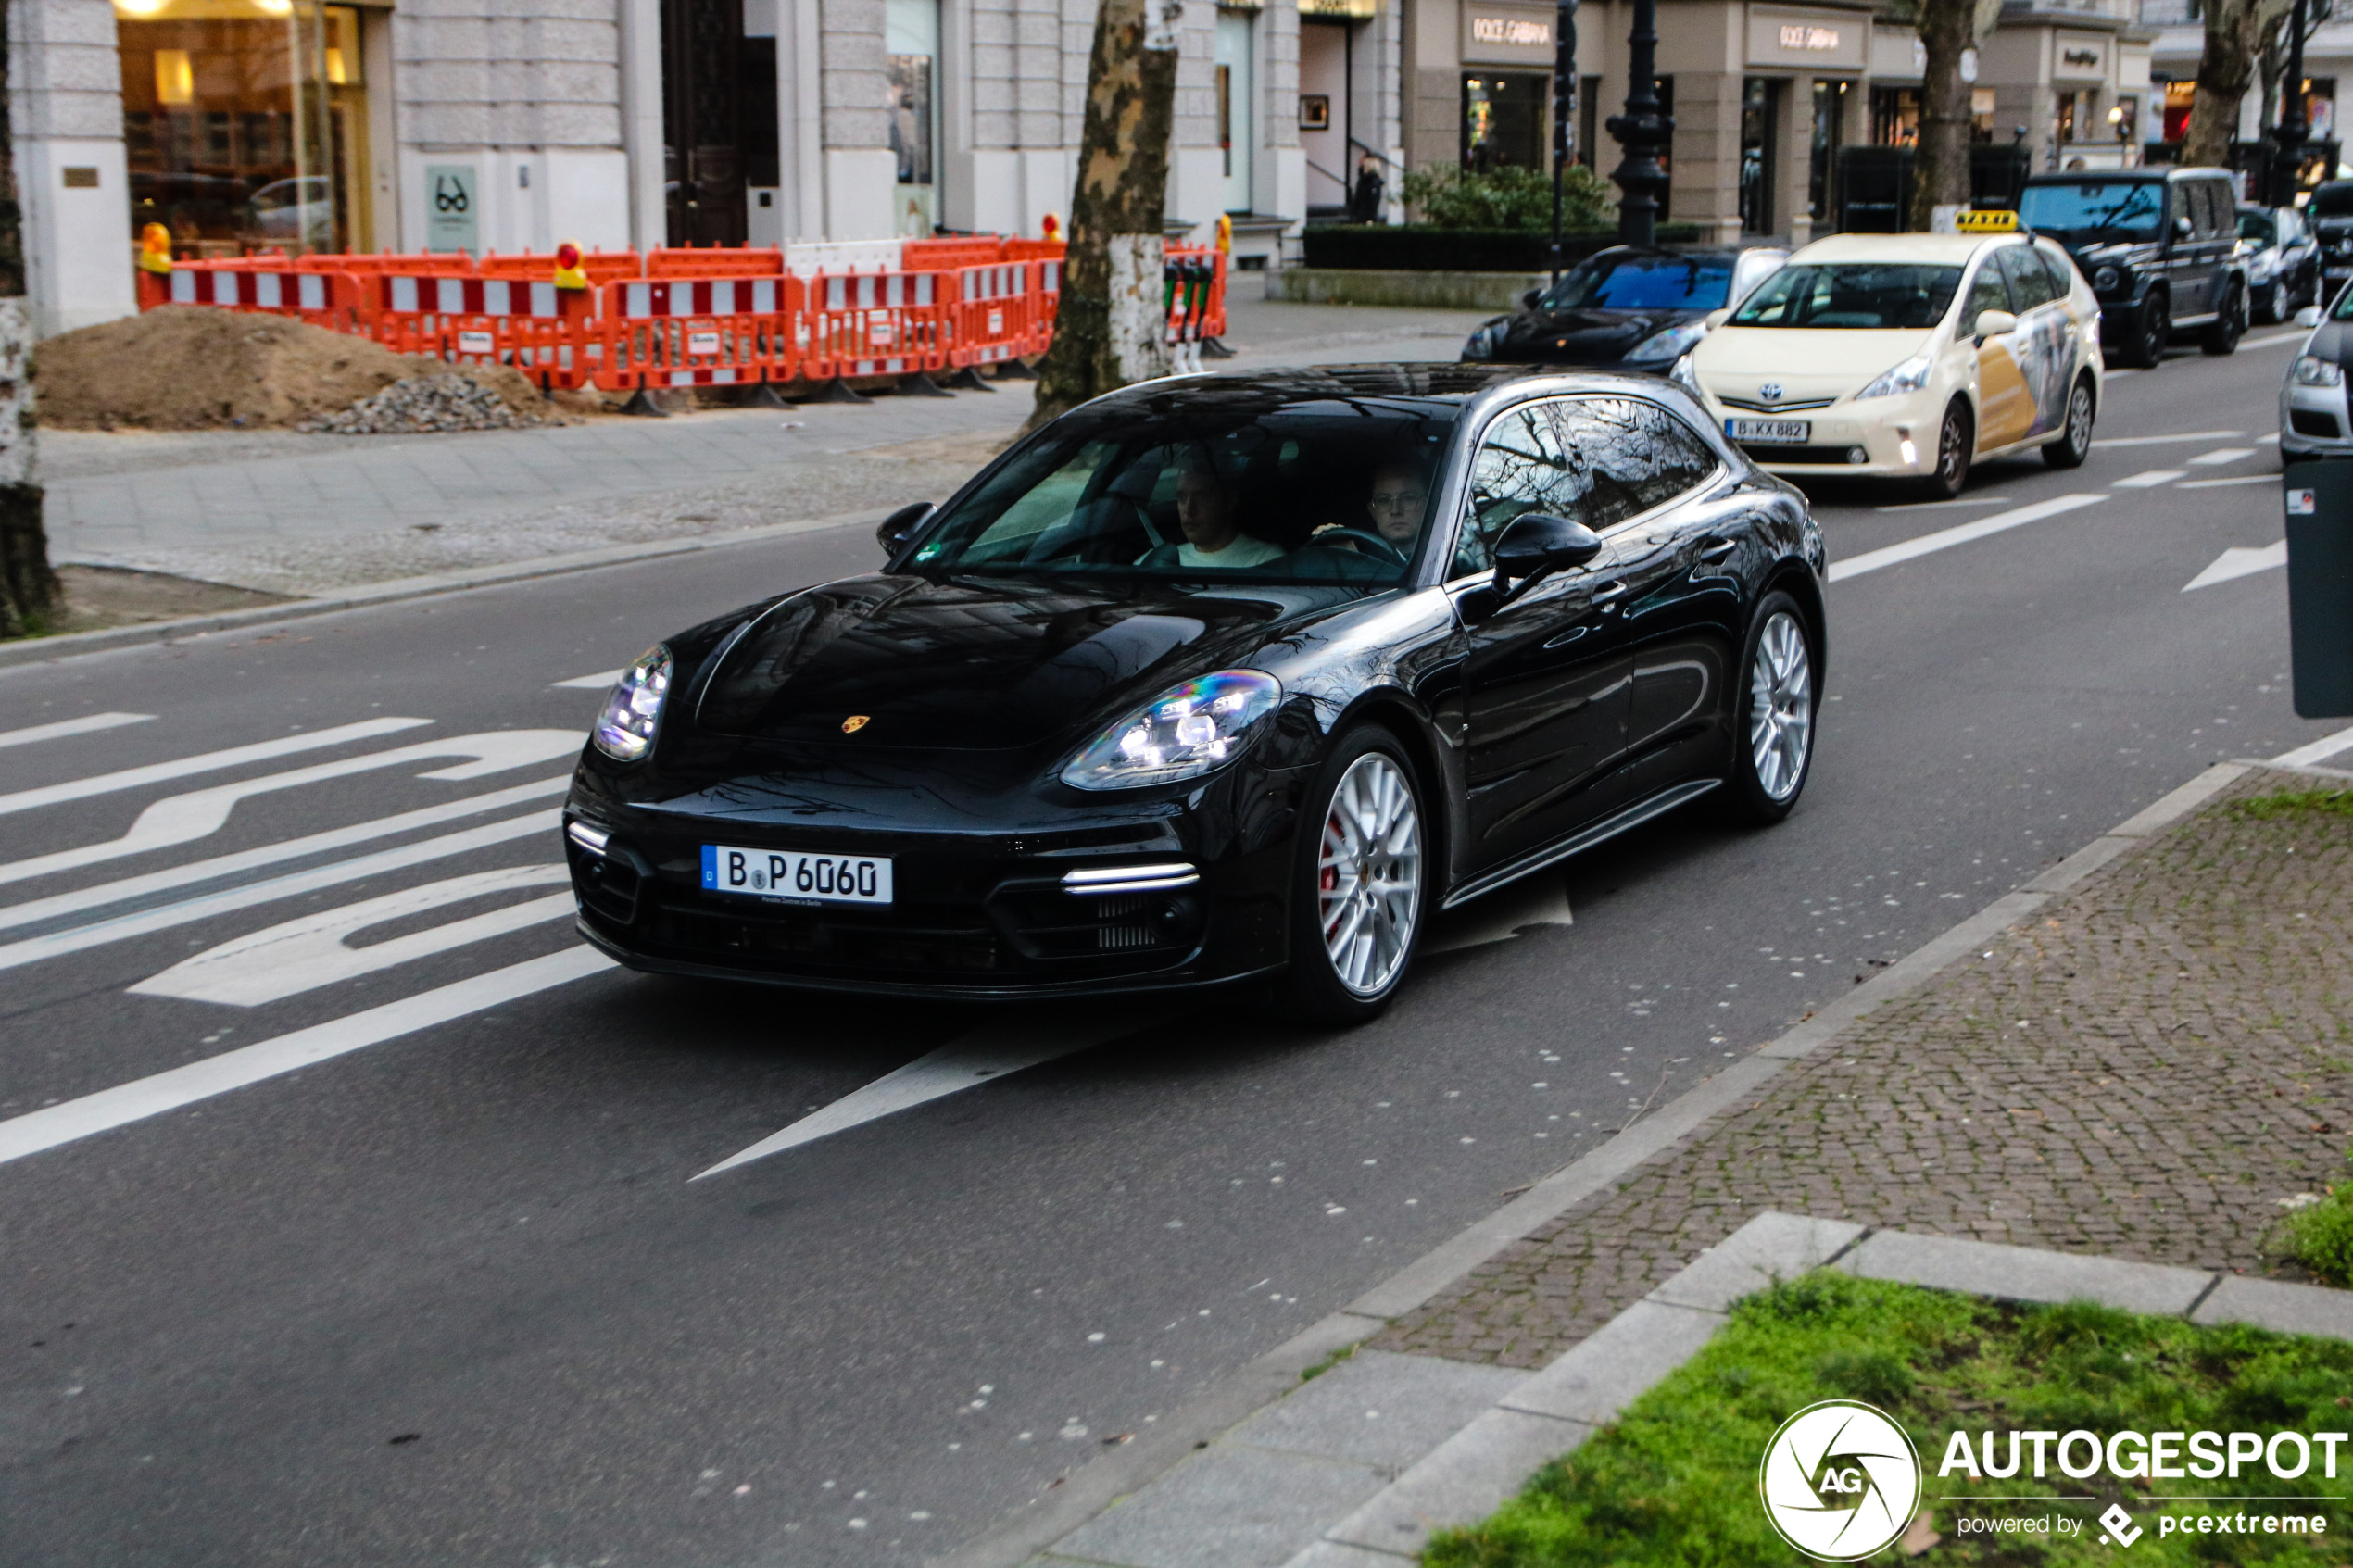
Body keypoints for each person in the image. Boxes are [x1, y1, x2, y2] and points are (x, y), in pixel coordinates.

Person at [1155, 448, 1285, 569]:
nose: (1189, 509)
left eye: (1202, 497)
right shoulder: (1159, 562)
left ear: (1230, 501)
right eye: (1182, 497)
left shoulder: (1267, 562)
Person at [1311, 460, 1430, 558]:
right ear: (1373, 511)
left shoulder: (1443, 559)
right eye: (1384, 500)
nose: (1395, 510)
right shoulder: (1362, 553)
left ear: (1427, 505)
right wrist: (1345, 556)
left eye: (1408, 498)